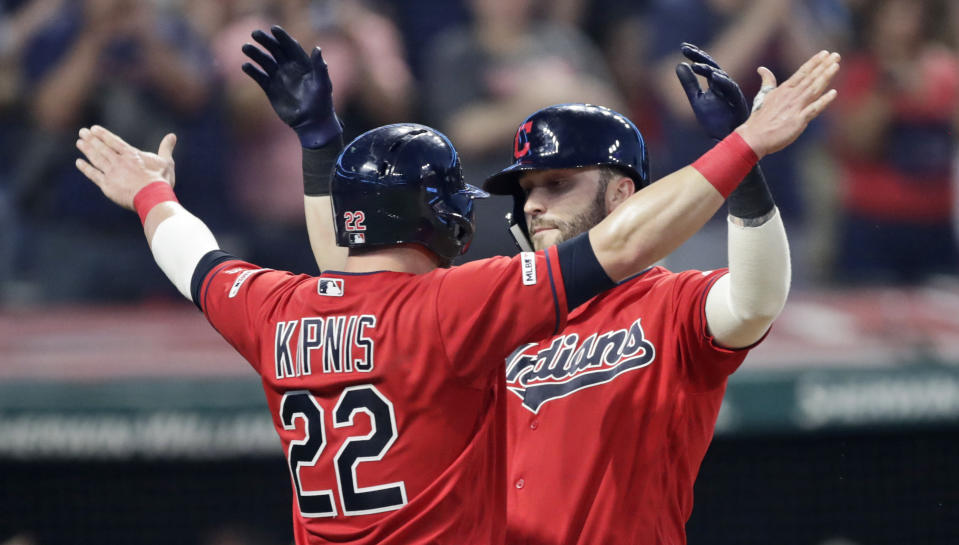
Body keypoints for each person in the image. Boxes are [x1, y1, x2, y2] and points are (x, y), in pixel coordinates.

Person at [72, 30, 832, 540]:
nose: (531, 202)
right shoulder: (468, 300)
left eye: (558, 182)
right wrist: (744, 148)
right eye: (523, 186)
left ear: (622, 189)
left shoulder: (651, 300)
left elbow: (754, 299)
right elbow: (362, 282)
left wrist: (156, 195)